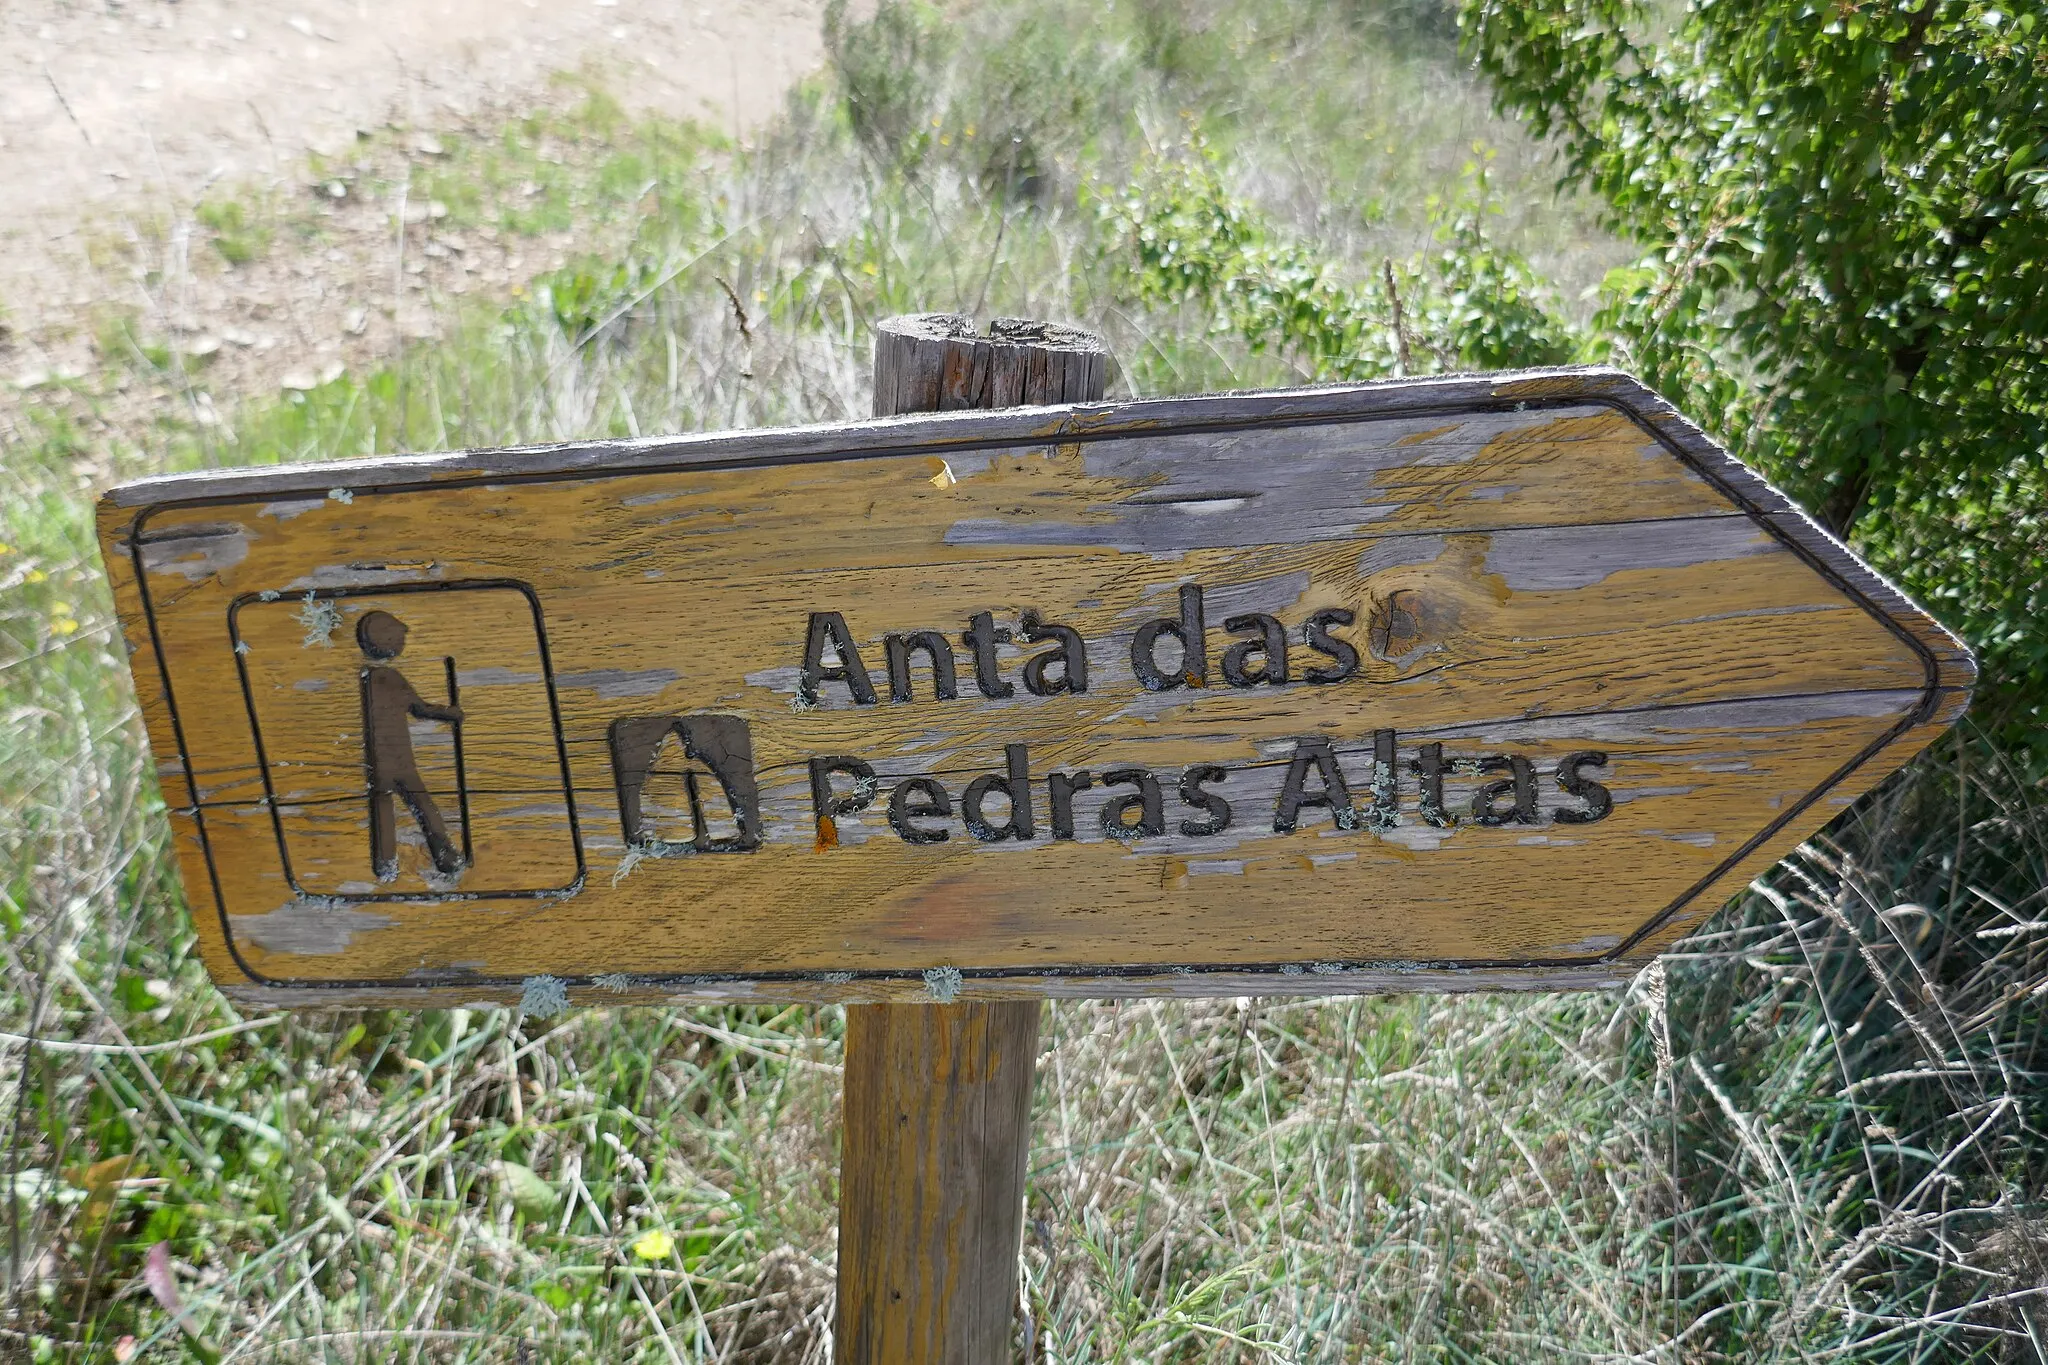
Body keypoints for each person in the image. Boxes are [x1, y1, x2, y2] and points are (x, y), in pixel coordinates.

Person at [357, 610, 465, 879]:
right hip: (399, 760)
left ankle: (385, 864)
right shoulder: (388, 678)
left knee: (383, 809)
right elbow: (420, 708)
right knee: (423, 805)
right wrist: (450, 713)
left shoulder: (370, 678)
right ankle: (445, 854)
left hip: (379, 762)